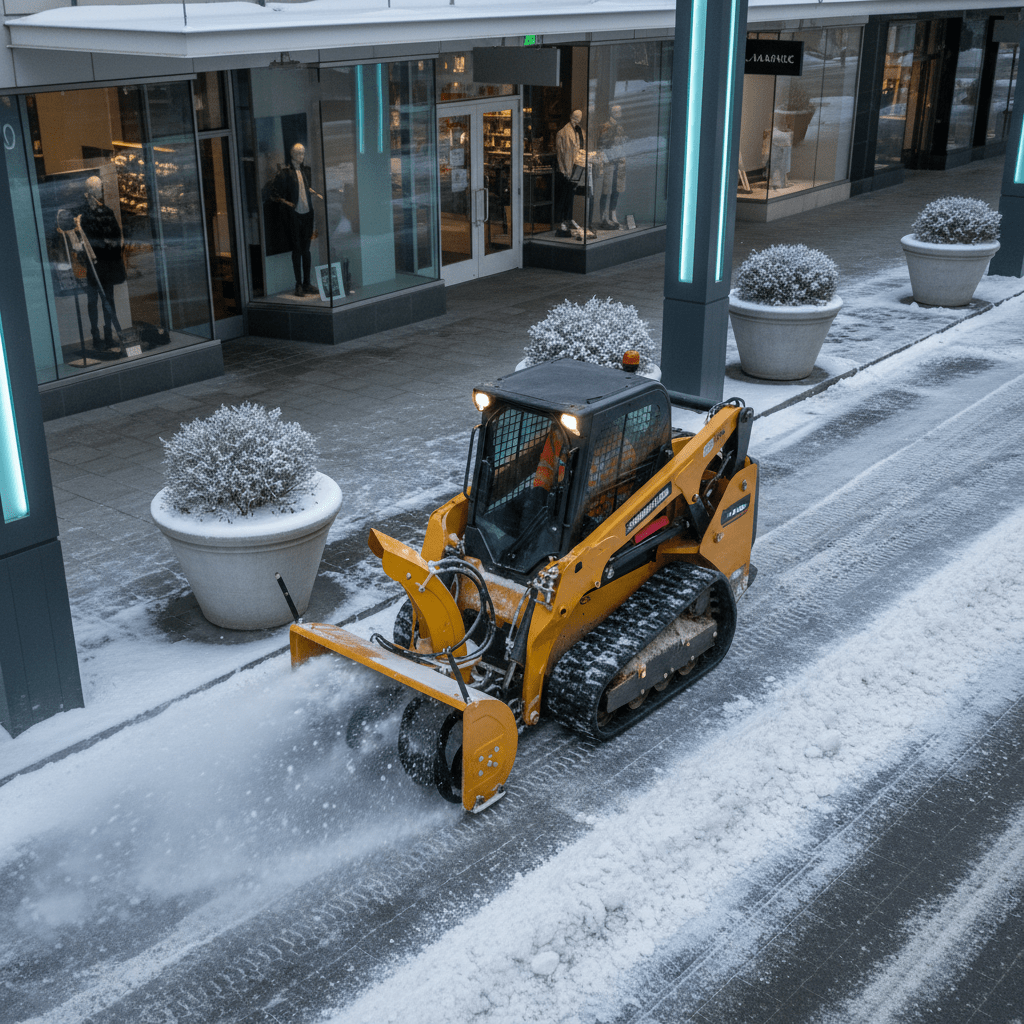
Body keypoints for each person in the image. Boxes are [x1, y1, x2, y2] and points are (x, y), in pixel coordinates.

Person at [77, 175, 125, 350]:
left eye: (100, 188)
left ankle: (107, 334)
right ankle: (96, 336)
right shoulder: (82, 214)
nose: (100, 191)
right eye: (97, 188)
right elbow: (85, 239)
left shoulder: (106, 211)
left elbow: (116, 234)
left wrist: (110, 247)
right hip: (93, 264)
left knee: (108, 300)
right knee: (93, 301)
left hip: (107, 263)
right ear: (91, 190)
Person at [270, 143, 320, 297]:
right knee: (297, 250)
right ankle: (298, 284)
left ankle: (307, 283)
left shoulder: (306, 171)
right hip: (294, 215)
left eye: (303, 153)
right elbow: (274, 193)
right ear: (292, 154)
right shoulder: (286, 173)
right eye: (299, 153)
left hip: (307, 214)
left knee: (306, 250)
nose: (302, 156)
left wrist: (315, 193)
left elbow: (305, 187)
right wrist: (286, 203)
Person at [554, 110, 587, 238]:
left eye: (579, 118)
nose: (577, 120)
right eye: (575, 117)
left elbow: (582, 148)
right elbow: (559, 154)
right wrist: (563, 170)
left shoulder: (581, 132)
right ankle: (563, 221)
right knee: (565, 196)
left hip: (578, 168)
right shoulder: (562, 133)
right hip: (567, 170)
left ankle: (568, 219)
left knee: (571, 195)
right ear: (570, 116)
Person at [597, 105, 627, 230]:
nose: (619, 113)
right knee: (606, 190)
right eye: (617, 111)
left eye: (620, 111)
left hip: (619, 161)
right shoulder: (606, 126)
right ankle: (604, 218)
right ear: (612, 112)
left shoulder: (620, 126)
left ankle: (613, 216)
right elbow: (602, 144)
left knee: (616, 189)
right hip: (609, 161)